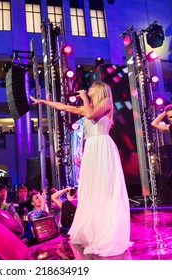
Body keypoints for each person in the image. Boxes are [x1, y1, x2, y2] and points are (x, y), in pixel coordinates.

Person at [30, 81, 131, 257]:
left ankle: (108, 232)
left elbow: (91, 116)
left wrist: (84, 97)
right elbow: (65, 107)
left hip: (103, 146)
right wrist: (45, 102)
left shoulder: (106, 101)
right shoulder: (87, 107)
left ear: (99, 90)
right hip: (91, 149)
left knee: (106, 189)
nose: (88, 89)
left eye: (91, 87)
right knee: (92, 191)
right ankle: (94, 231)